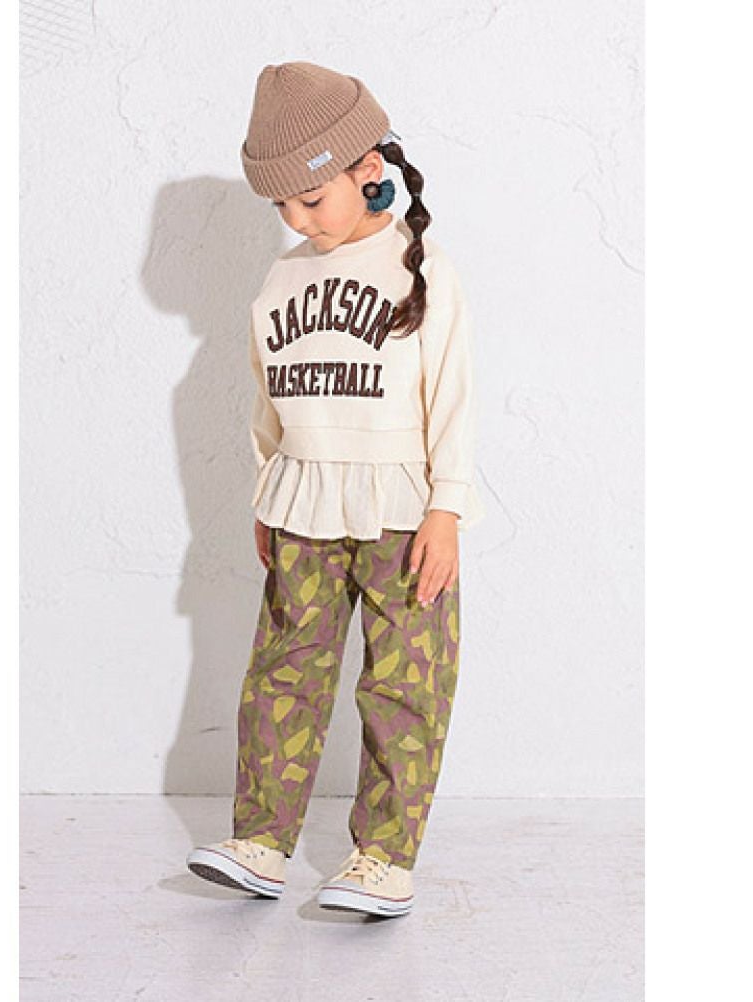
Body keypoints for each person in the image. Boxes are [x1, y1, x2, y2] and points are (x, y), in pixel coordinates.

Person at [186, 60, 485, 918]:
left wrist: (446, 508)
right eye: (281, 205)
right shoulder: (281, 279)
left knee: (404, 686)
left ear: (368, 169)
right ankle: (261, 841)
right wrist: (267, 493)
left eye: (311, 199)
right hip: (300, 508)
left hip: (402, 513)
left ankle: (384, 858)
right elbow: (267, 400)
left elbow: (453, 398)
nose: (295, 219)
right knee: (282, 674)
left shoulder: (423, 270)